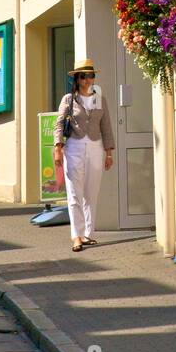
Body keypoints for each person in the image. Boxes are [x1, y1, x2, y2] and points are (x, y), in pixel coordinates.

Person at [53, 59, 115, 253]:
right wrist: (58, 147)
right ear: (78, 79)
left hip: (96, 147)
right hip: (74, 147)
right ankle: (76, 236)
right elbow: (59, 123)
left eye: (91, 75)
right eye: (85, 76)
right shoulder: (68, 99)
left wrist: (109, 152)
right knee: (74, 193)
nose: (89, 79)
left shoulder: (100, 98)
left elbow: (106, 127)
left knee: (91, 193)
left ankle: (88, 233)